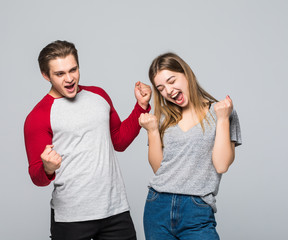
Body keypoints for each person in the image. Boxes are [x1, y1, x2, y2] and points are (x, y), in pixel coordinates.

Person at [23, 40, 152, 240]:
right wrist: (48, 168)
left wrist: (141, 107)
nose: (69, 78)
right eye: (60, 74)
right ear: (45, 75)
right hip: (71, 218)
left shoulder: (98, 95)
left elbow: (119, 141)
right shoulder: (38, 116)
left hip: (115, 211)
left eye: (73, 69)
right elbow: (36, 176)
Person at [138, 52, 242, 240]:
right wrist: (152, 131)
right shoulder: (163, 118)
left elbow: (221, 165)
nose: (168, 91)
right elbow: (159, 169)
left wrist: (223, 120)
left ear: (186, 74)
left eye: (172, 81)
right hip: (157, 206)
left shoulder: (221, 112)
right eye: (161, 88)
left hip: (197, 209)